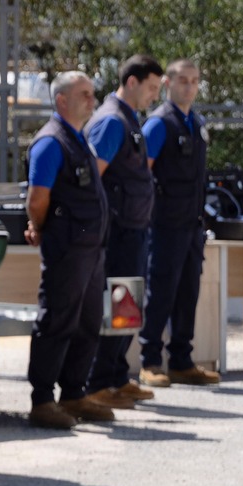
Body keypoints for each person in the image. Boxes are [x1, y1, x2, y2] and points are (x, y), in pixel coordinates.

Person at [23, 71, 117, 429]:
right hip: (67, 248)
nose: (92, 101)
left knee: (88, 322)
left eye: (92, 93)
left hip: (90, 249)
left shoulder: (79, 138)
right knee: (57, 322)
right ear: (62, 100)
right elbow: (38, 198)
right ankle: (42, 399)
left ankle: (75, 393)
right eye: (84, 94)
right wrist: (41, 227)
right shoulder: (51, 142)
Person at [85, 54, 165, 405]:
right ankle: (98, 384)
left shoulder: (128, 119)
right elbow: (93, 178)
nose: (154, 96)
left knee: (126, 308)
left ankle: (117, 377)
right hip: (116, 233)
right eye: (151, 87)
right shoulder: (111, 122)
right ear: (132, 82)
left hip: (133, 229)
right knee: (115, 305)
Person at [141, 59, 220, 386]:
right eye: (183, 80)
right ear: (168, 84)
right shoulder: (159, 123)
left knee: (188, 291)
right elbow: (141, 172)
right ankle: (150, 361)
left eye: (194, 81)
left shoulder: (196, 122)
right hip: (164, 224)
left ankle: (182, 361)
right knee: (160, 291)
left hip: (192, 224)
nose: (189, 87)